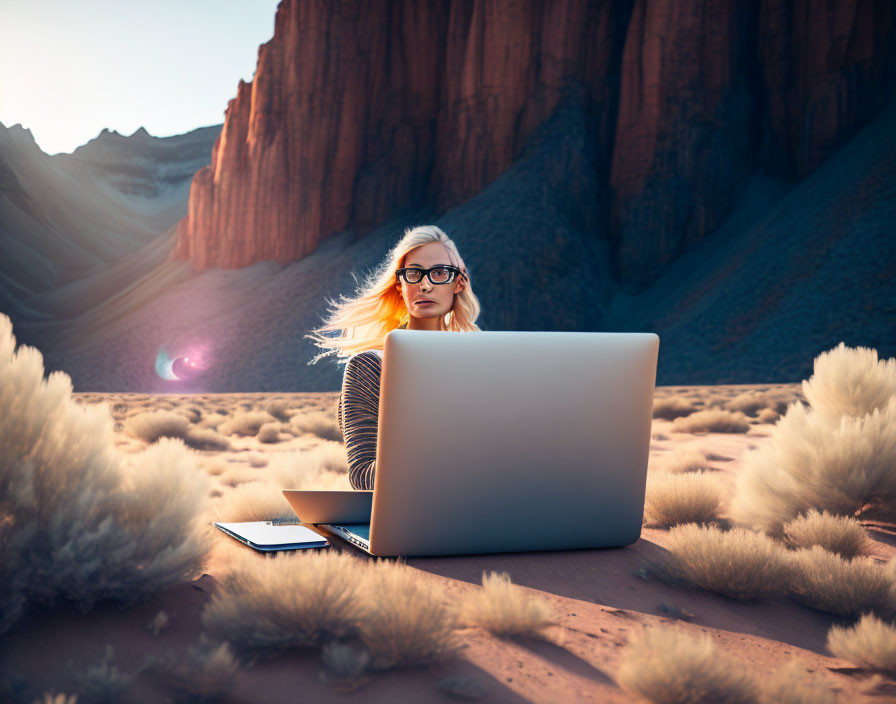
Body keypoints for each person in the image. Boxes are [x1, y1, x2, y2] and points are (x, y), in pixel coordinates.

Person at [306, 225, 482, 489]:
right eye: (413, 273)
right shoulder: (370, 367)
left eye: (439, 273)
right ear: (400, 286)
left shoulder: (485, 365)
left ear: (459, 283)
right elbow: (363, 477)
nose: (425, 284)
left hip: (488, 511)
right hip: (413, 521)